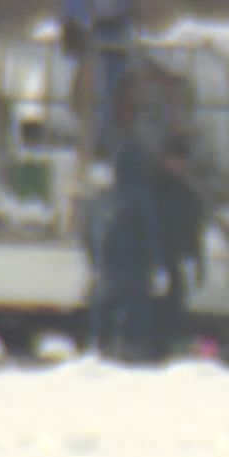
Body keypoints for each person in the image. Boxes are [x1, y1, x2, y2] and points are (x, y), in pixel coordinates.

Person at [92, 139, 166, 364]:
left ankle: (102, 353)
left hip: (107, 269)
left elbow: (90, 233)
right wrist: (158, 265)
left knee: (105, 316)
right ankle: (132, 356)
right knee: (136, 319)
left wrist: (94, 263)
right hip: (136, 268)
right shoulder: (141, 197)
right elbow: (151, 233)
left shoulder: (103, 198)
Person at [152, 134, 206, 361]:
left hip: (176, 264)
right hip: (155, 263)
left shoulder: (188, 196)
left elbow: (194, 234)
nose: (176, 165)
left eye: (180, 160)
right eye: (172, 159)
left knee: (175, 316)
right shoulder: (152, 191)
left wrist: (197, 263)